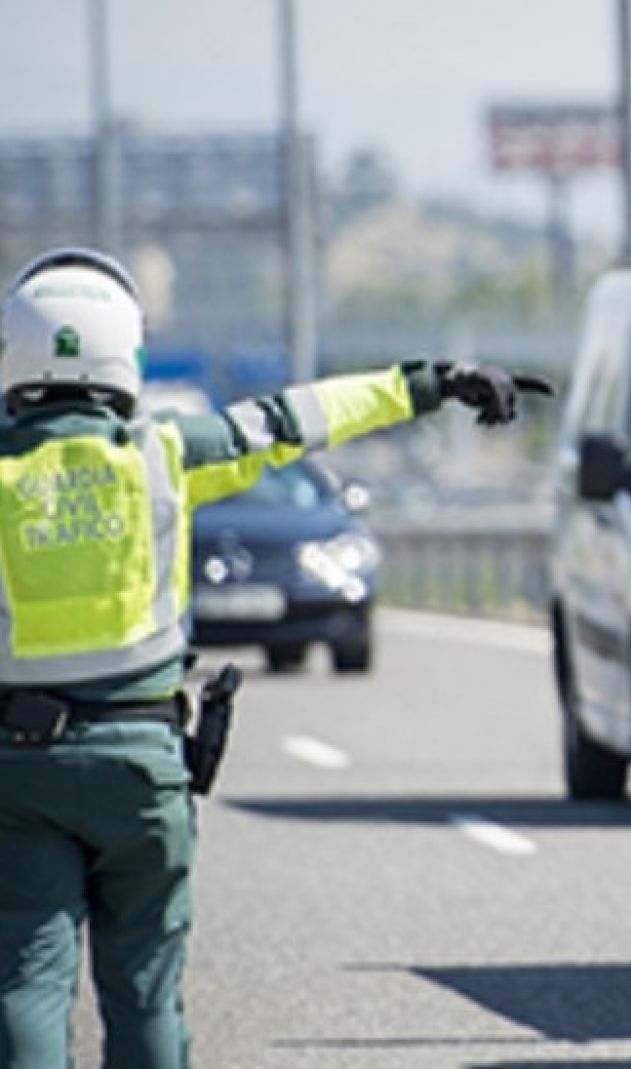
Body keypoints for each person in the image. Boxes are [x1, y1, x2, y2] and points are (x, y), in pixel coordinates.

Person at [0, 247, 550, 1069]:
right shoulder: (164, 455)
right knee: (145, 991)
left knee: (26, 989)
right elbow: (298, 417)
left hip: (20, 767)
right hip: (141, 771)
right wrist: (430, 383)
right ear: (126, 352)